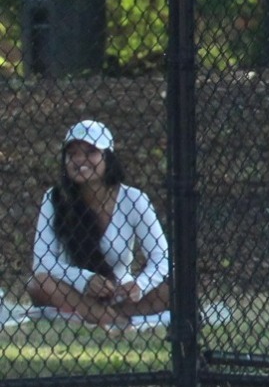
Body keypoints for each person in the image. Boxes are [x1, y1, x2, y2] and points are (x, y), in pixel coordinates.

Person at [25, 120, 171, 330]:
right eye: (72, 153)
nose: (79, 160)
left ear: (107, 157)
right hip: (75, 292)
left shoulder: (134, 199)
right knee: (38, 284)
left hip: (120, 293)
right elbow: (42, 262)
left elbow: (161, 257)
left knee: (174, 290)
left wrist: (139, 285)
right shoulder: (55, 198)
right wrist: (85, 280)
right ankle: (109, 319)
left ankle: (104, 316)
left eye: (90, 152)